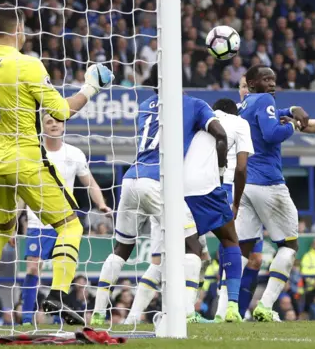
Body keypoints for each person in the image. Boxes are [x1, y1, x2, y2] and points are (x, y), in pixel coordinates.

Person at [0, 3, 114, 326]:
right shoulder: (27, 65)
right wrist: (90, 87)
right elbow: (60, 111)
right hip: (26, 162)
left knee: (1, 230)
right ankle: (59, 296)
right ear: (18, 30)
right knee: (71, 225)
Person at [91, 64, 227, 324]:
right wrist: (219, 169)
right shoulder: (195, 104)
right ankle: (187, 311)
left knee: (122, 248)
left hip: (130, 178)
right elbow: (220, 134)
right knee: (193, 246)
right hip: (159, 183)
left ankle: (98, 312)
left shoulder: (145, 106)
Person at [235, 65, 315, 322]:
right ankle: (265, 306)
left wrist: (289, 110)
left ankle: (228, 308)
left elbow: (271, 116)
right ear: (253, 83)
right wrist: (290, 126)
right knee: (289, 245)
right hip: (268, 183)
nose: (271, 84)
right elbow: (271, 133)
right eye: (266, 79)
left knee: (242, 251)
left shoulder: (244, 106)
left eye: (273, 79)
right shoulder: (264, 99)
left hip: (244, 186)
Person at [20, 113, 112, 326]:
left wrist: (101, 204)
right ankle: (26, 318)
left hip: (64, 222)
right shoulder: (32, 154)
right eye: (48, 122)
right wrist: (13, 220)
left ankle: (59, 310)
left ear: (63, 126)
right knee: (34, 268)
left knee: (63, 268)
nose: (53, 125)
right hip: (37, 222)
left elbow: (90, 183)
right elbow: (20, 191)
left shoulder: (75, 154)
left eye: (57, 122)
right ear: (42, 127)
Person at [210, 98, 254, 322]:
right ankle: (230, 308)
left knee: (188, 246)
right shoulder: (239, 122)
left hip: (192, 186)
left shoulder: (203, 117)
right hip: (223, 186)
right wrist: (236, 201)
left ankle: (184, 309)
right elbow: (242, 167)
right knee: (230, 241)